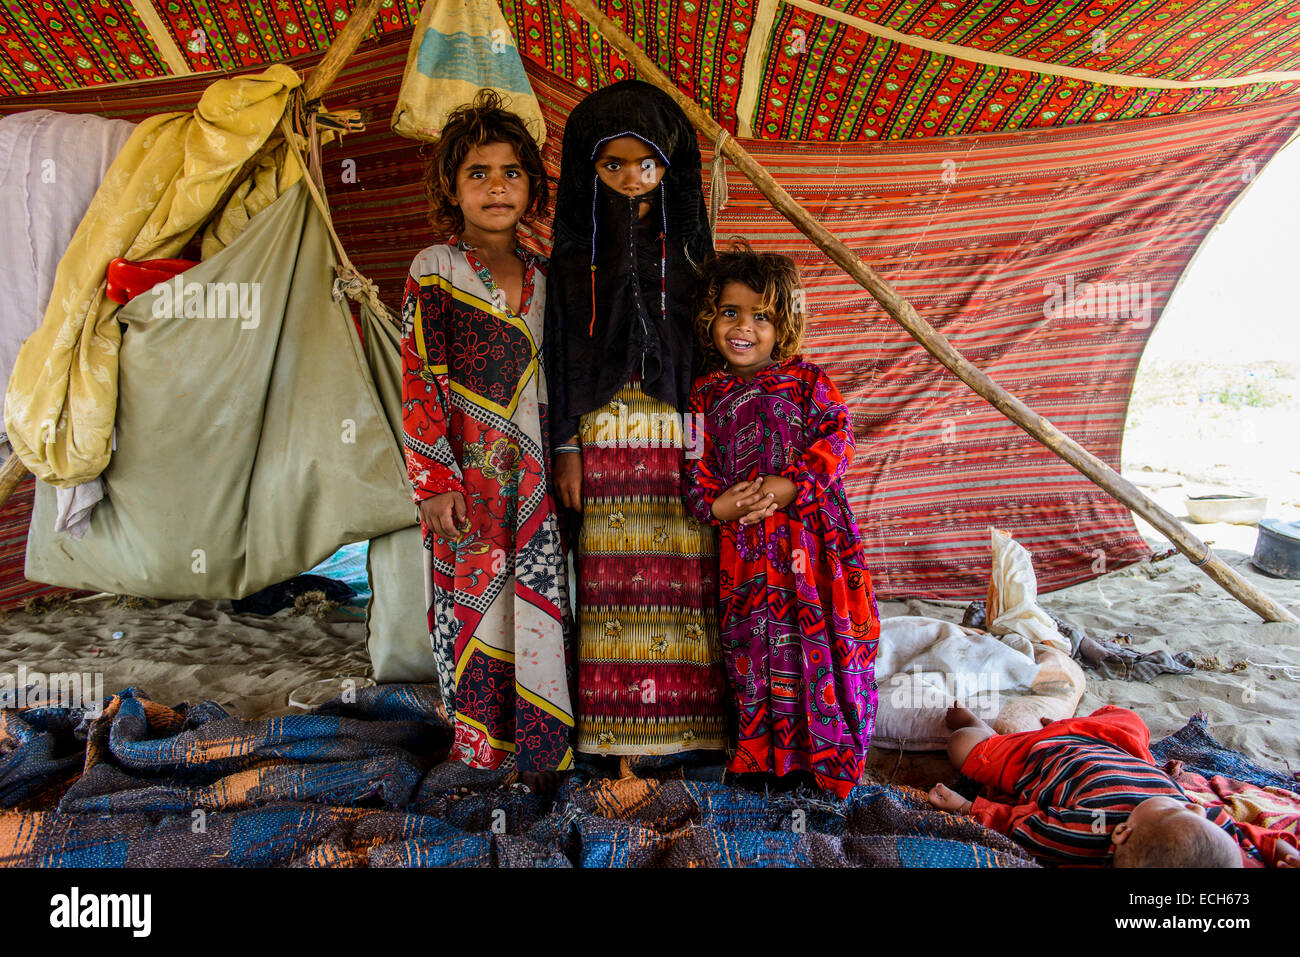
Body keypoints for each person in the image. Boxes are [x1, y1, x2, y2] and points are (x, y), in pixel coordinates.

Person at [544, 80, 728, 758]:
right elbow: (561, 354)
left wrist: (707, 447)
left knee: (686, 577)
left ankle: (693, 738)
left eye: (644, 163)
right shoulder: (569, 259)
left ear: (669, 165)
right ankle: (614, 739)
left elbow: (711, 356)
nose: (630, 177)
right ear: (588, 167)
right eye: (612, 164)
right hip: (600, 439)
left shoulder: (691, 255)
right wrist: (566, 444)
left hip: (678, 437)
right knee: (611, 582)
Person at [401, 90, 573, 788]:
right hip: (466, 480)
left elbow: (563, 376)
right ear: (453, 186)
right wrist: (435, 482)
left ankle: (538, 750)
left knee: (537, 609)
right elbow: (420, 381)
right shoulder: (434, 269)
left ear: (532, 184)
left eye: (511, 171)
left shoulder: (546, 275)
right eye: (478, 172)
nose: (496, 186)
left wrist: (567, 454)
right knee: (471, 608)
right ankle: (478, 750)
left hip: (534, 483)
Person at [683, 245, 880, 798]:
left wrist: (790, 484)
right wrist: (718, 505)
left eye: (761, 316)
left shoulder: (808, 381)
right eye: (730, 313)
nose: (743, 328)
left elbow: (838, 441)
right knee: (754, 652)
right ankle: (766, 762)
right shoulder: (702, 394)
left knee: (824, 643)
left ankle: (828, 761)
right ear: (709, 317)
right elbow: (693, 465)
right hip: (744, 554)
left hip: (814, 547)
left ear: (783, 324)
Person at [927, 703, 1300, 867]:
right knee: (1130, 720)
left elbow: (1022, 827)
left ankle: (986, 726)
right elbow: (1253, 838)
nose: (1195, 803)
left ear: (1121, 833)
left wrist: (967, 808)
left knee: (961, 745)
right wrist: (1283, 851)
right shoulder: (1206, 828)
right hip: (1119, 746)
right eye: (1194, 810)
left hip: (1041, 758)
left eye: (1176, 807)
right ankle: (1059, 722)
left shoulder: (1087, 832)